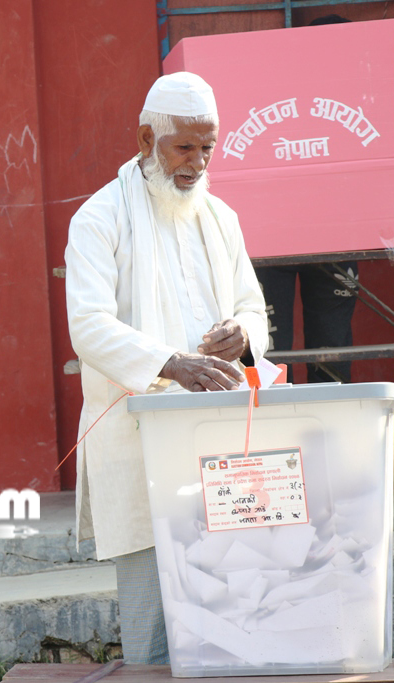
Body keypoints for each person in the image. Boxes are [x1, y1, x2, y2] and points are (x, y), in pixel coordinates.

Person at [64, 72, 268, 663]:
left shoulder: (221, 217)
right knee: (152, 623)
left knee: (236, 597)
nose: (198, 162)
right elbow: (90, 326)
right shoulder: (99, 218)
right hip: (139, 439)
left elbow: (252, 306)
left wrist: (245, 334)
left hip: (221, 436)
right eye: (184, 146)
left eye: (208, 147)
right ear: (144, 138)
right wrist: (172, 364)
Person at [256, 13, 357, 384]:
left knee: (332, 345)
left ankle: (327, 432)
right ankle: (277, 436)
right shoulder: (267, 95)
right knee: (269, 348)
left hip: (338, 236)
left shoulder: (364, 100)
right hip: (270, 238)